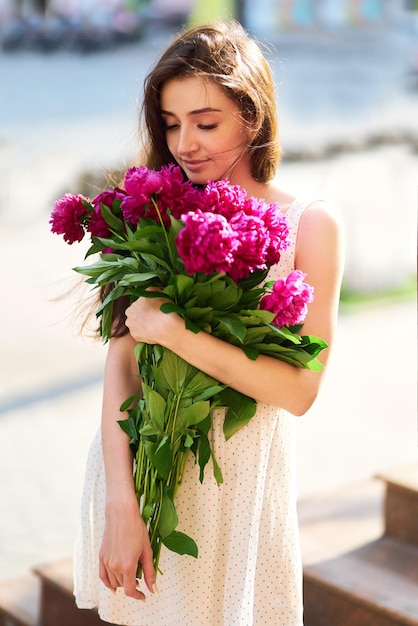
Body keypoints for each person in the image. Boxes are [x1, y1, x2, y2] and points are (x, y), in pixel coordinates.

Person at [73, 20, 344, 626]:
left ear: (253, 114)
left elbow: (298, 390)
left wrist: (175, 332)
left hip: (242, 492)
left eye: (206, 122)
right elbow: (121, 371)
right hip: (143, 484)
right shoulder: (151, 211)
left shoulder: (311, 226)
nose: (185, 143)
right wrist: (122, 504)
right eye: (170, 124)